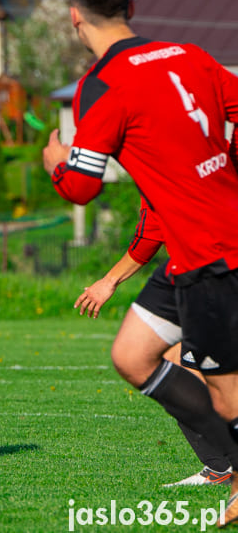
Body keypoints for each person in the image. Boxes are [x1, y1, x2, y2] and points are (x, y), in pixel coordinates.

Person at [42, 0, 238, 523]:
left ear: (75, 16)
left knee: (225, 395)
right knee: (132, 355)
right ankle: (224, 466)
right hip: (186, 252)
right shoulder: (190, 55)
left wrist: (56, 161)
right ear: (129, 8)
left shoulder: (101, 86)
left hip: (213, 252)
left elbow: (81, 188)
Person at [76, 203, 232, 487]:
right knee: (176, 364)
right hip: (205, 266)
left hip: (214, 267)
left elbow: (151, 230)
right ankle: (219, 466)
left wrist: (110, 280)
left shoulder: (166, 162)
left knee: (153, 362)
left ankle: (224, 464)